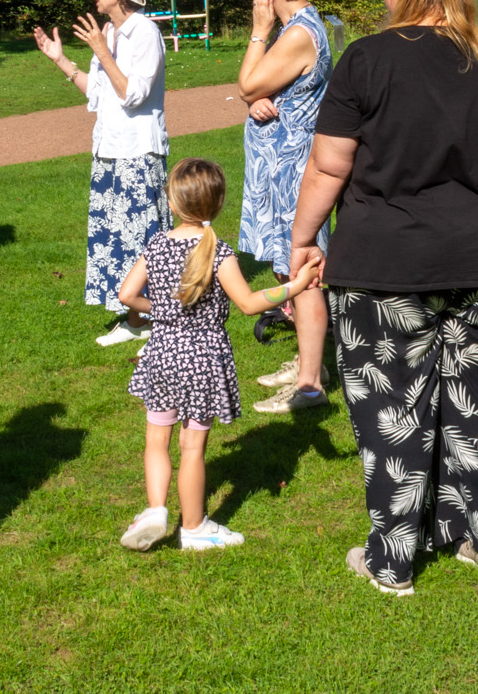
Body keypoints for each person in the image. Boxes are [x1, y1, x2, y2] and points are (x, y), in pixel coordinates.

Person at [289, 0, 478, 597]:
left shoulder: (366, 59)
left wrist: (303, 238)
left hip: (387, 264)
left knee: (393, 414)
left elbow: (328, 165)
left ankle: (393, 560)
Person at [116, 157, 324, 553]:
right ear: (218, 203)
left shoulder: (157, 244)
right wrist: (296, 285)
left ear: (173, 203)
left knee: (156, 440)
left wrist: (161, 312)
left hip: (161, 353)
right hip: (203, 358)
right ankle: (193, 528)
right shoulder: (219, 252)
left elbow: (127, 295)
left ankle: (156, 511)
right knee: (191, 448)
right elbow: (248, 303)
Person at [32, 0, 167, 347]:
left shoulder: (144, 33)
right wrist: (62, 61)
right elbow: (96, 92)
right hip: (109, 151)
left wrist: (102, 51)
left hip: (139, 153)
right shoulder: (107, 33)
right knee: (116, 238)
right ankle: (136, 320)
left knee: (142, 239)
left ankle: (146, 319)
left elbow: (133, 94)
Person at [235, 0, 334, 413]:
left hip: (295, 173)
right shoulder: (294, 28)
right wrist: (254, 100)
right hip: (280, 172)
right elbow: (259, 90)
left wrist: (258, 30)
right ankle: (306, 361)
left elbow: (248, 81)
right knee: (286, 267)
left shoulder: (295, 32)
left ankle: (310, 385)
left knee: (304, 274)